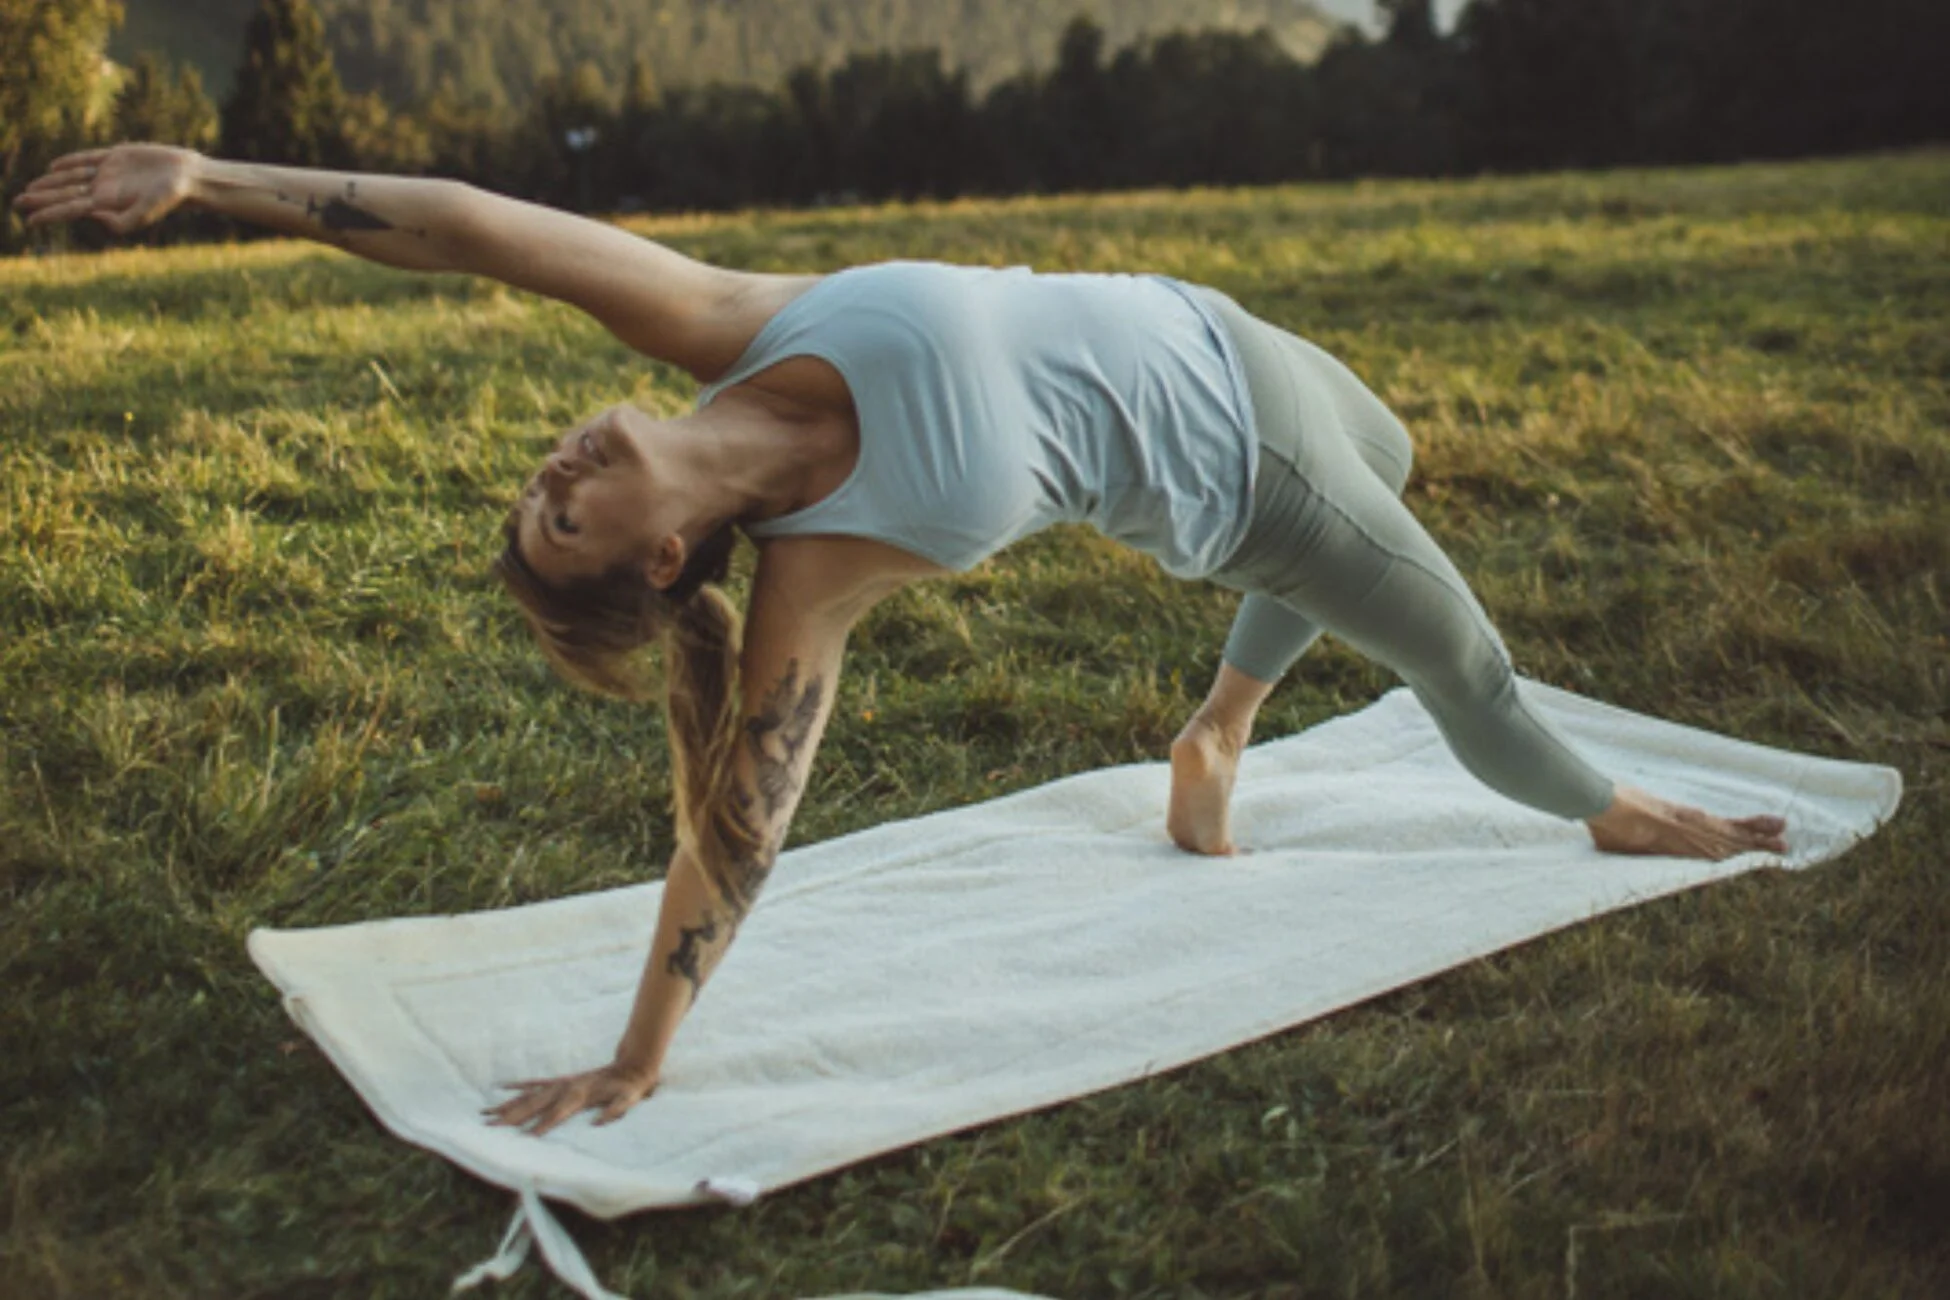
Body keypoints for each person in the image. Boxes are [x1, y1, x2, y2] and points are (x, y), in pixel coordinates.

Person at [17, 146, 1788, 1135]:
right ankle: (1608, 809)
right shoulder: (813, 579)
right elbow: (737, 834)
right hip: (1246, 478)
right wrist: (643, 1056)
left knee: (1401, 447)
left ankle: (1223, 722)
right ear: (660, 568)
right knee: (1456, 665)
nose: (553, 472)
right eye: (562, 519)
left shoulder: (728, 321)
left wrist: (208, 178)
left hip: (1212, 326)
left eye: (538, 484)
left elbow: (474, 228)